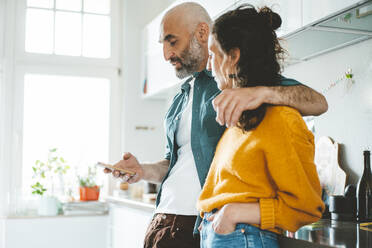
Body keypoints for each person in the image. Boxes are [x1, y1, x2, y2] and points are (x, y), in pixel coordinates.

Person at [105, 2, 327, 248]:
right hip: (166, 221)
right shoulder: (181, 99)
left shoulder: (248, 94)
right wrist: (143, 170)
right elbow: (177, 162)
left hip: (200, 225)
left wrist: (261, 93)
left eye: (172, 41)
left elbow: (317, 102)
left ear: (202, 33)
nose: (166, 54)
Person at [196, 5, 324, 248]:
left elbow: (306, 208)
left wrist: (233, 213)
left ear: (233, 56)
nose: (209, 66)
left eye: (213, 55)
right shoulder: (240, 119)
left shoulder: (281, 119)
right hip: (222, 233)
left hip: (242, 235)